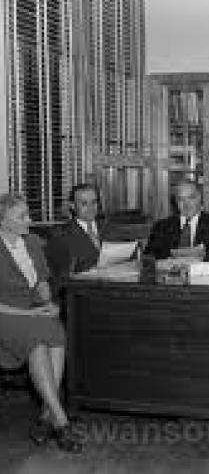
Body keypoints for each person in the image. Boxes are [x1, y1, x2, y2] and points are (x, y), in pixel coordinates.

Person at [0, 193, 83, 452]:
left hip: (32, 309)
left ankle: (47, 415)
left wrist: (48, 303)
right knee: (38, 342)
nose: (30, 220)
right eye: (22, 216)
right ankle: (61, 421)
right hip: (6, 314)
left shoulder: (33, 242)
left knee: (57, 335)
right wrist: (31, 315)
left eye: (28, 214)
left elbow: (43, 281)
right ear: (2, 221)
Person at [45, 183, 106, 298]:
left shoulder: (109, 229)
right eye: (84, 204)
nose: (91, 208)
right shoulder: (60, 235)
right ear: (72, 205)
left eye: (94, 202)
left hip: (115, 290)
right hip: (81, 295)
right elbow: (58, 277)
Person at [144, 179, 209, 261]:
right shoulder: (161, 226)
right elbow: (148, 257)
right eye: (181, 199)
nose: (187, 204)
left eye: (191, 198)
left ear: (200, 198)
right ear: (175, 202)